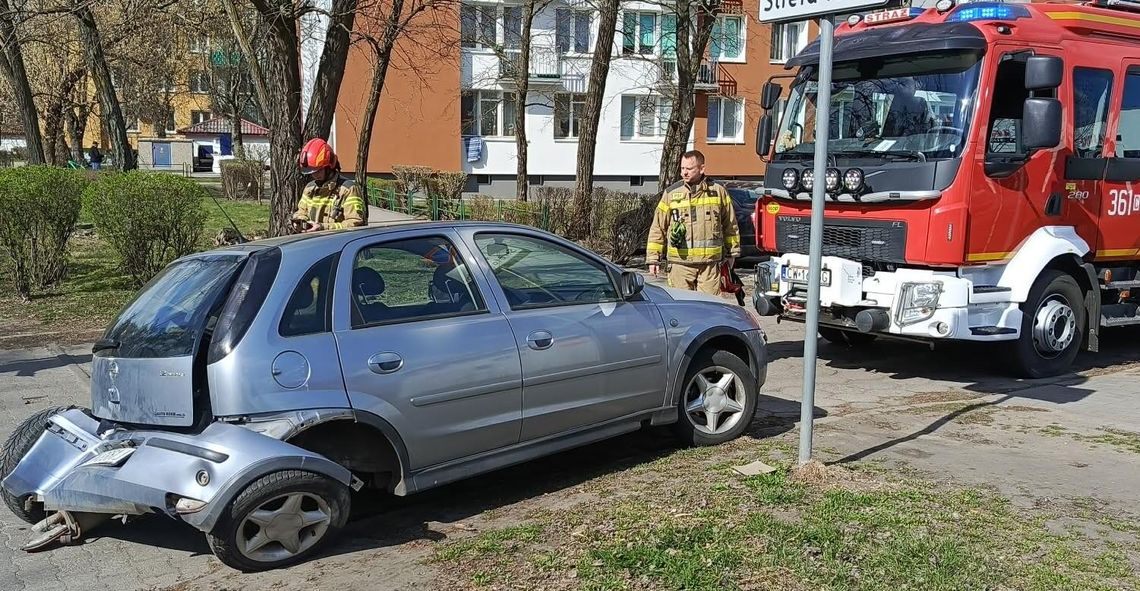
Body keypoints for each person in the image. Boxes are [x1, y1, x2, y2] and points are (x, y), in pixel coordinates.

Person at [646, 150, 741, 296]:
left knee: (709, 308)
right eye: (682, 168)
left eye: (689, 169)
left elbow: (730, 225)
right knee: (682, 310)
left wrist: (732, 254)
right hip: (680, 265)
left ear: (702, 168)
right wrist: (653, 258)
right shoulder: (671, 194)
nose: (684, 173)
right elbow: (658, 227)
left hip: (709, 266)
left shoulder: (718, 191)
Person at [291, 138, 366, 233]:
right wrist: (299, 221)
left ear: (329, 167)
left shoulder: (348, 189)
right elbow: (302, 211)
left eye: (318, 170)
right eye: (312, 171)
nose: (315, 175)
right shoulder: (310, 188)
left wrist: (323, 227)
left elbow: (356, 223)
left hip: (339, 245)